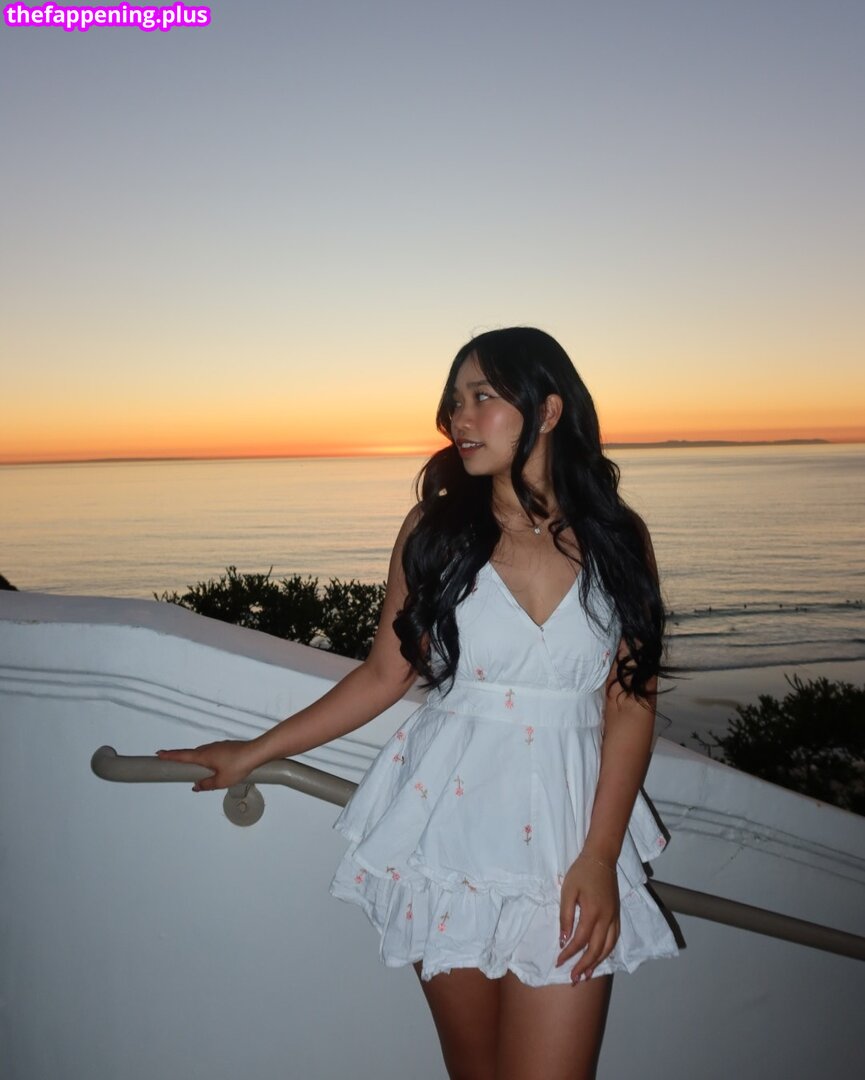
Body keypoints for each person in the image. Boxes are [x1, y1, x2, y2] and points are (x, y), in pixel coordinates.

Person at [157, 326, 681, 1080]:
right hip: (447, 834)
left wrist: (600, 857)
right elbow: (384, 676)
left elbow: (630, 704)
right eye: (454, 401)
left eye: (482, 397)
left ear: (549, 409)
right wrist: (253, 751)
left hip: (569, 838)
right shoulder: (436, 533)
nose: (459, 418)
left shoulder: (619, 540)